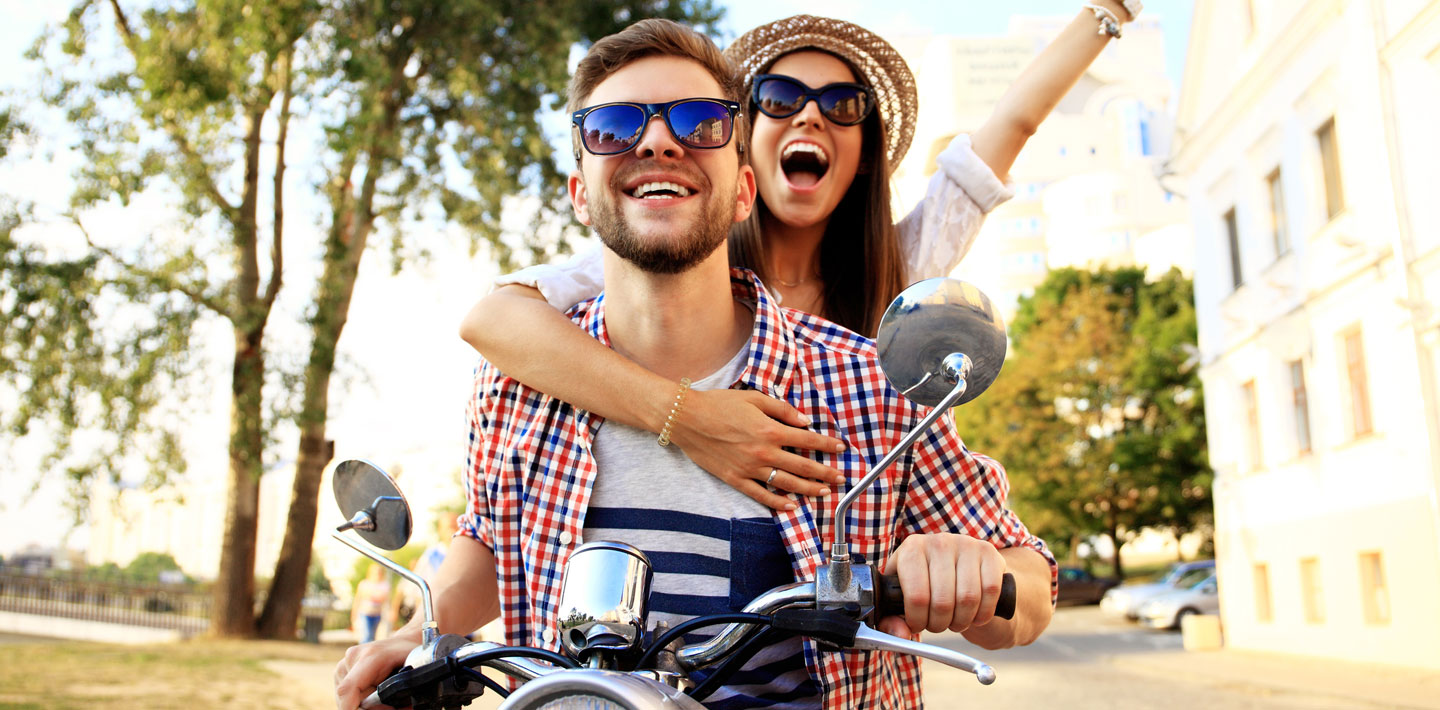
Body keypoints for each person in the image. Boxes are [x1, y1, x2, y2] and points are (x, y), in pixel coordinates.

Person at [334, 19, 1056, 710]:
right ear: (578, 193)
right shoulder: (517, 378)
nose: (656, 141)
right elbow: (494, 537)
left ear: (744, 189)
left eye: (698, 123)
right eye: (614, 128)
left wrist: (972, 569)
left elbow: (1032, 582)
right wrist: (413, 639)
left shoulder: (871, 380)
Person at [457, 3, 1145, 512]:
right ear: (740, 150)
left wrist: (1110, 12)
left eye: (843, 105)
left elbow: (1012, 126)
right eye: (781, 100)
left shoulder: (902, 264)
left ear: (864, 153)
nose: (811, 118)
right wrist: (688, 418)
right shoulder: (681, 257)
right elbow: (494, 319)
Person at [350, 564, 391, 645]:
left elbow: (386, 599)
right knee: (366, 636)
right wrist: (353, 613)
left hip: (377, 614)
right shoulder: (364, 584)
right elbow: (358, 599)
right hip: (365, 613)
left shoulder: (385, 585)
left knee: (372, 636)